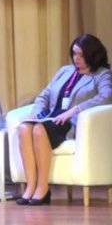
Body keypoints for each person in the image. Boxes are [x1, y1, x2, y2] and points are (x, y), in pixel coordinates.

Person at [16, 34, 112, 206]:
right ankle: (30, 186)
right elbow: (45, 94)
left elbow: (106, 97)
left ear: (93, 55)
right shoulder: (65, 71)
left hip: (71, 121)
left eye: (81, 55)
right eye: (74, 53)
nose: (76, 58)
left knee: (39, 129)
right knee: (24, 127)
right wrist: (36, 112)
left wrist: (75, 110)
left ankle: (43, 188)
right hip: (51, 116)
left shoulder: (102, 75)